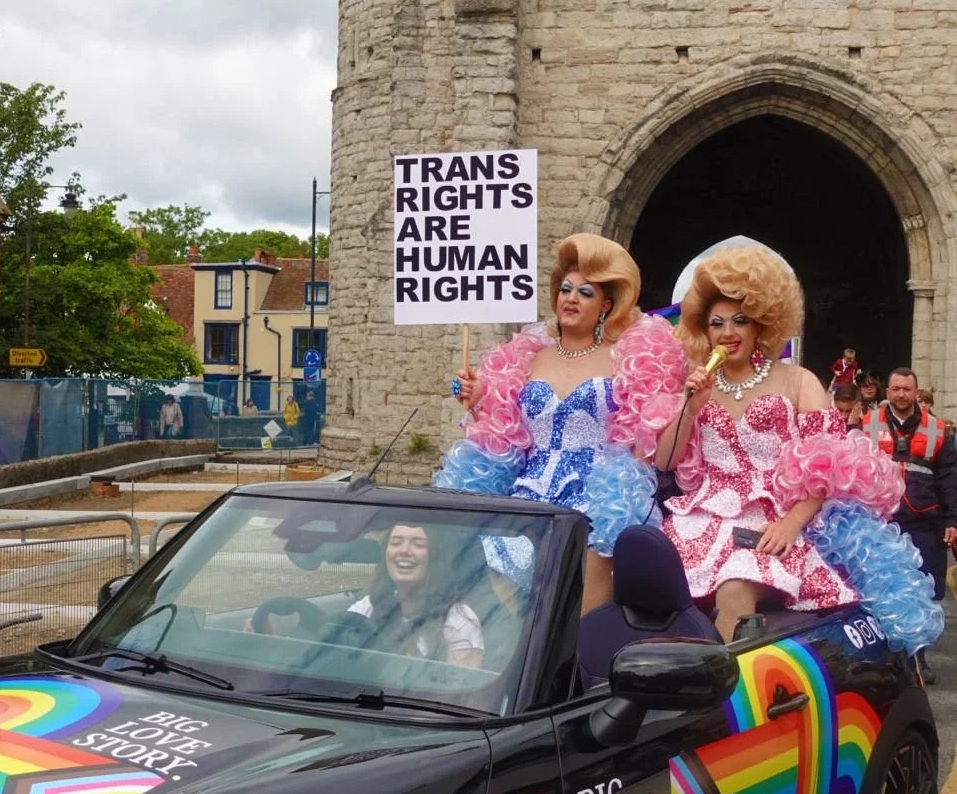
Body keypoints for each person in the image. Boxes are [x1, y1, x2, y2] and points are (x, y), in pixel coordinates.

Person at [657, 244, 911, 642]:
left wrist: (792, 523)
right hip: (703, 520)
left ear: (760, 324)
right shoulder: (698, 385)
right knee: (651, 582)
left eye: (739, 321)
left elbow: (830, 469)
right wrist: (690, 408)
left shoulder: (799, 381)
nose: (727, 333)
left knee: (736, 584)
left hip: (775, 519)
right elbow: (666, 461)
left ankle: (723, 699)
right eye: (716, 323)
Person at [442, 234, 688, 613]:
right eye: (566, 289)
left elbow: (645, 439)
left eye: (585, 293)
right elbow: (502, 434)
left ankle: (578, 667)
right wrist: (477, 402)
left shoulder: (626, 359)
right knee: (506, 586)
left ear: (606, 305)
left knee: (581, 604)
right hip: (529, 495)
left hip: (597, 496)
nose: (571, 299)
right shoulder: (528, 357)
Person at [863, 368, 957, 683]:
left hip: (926, 521)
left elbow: (949, 478)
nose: (902, 395)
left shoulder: (940, 430)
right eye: (896, 389)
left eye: (907, 389)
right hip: (882, 519)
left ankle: (919, 658)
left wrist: (953, 519)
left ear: (917, 393)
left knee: (924, 590)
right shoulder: (866, 425)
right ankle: (883, 658)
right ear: (887, 391)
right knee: (882, 589)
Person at [347, 524, 484, 667]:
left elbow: (460, 686)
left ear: (434, 557)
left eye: (418, 544)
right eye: (396, 543)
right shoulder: (368, 607)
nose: (404, 551)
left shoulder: (458, 619)